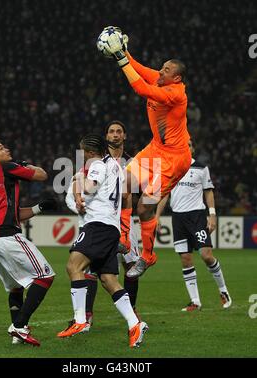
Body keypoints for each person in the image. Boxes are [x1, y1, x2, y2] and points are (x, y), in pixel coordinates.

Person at [102, 27, 192, 278]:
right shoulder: (162, 79)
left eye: (166, 70)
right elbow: (140, 69)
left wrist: (120, 59)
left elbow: (141, 88)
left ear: (176, 78)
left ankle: (148, 256)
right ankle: (124, 240)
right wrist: (124, 52)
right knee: (124, 184)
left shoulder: (175, 94)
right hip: (156, 149)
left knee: (144, 208)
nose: (160, 71)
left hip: (174, 160)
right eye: (162, 68)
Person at [58, 134, 148, 348]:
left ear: (90, 152)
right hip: (111, 227)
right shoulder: (115, 166)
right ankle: (135, 324)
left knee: (73, 266)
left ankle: (80, 320)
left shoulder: (97, 164)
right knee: (108, 279)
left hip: (98, 225)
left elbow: (90, 186)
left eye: (83, 153)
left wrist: (78, 182)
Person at [0, 139, 56, 346]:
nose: (7, 149)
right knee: (45, 275)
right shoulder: (5, 167)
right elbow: (42, 174)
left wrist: (39, 208)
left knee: (15, 287)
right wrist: (24, 164)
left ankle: (17, 336)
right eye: (1, 148)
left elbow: (14, 213)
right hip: (6, 236)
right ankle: (19, 326)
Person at [156, 140, 232, 311]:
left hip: (197, 216)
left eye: (189, 145)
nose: (186, 147)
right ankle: (195, 301)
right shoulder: (171, 168)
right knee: (186, 259)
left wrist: (212, 214)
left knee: (206, 255)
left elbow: (208, 191)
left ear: (192, 148)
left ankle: (223, 290)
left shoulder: (201, 168)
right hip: (178, 219)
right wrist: (157, 216)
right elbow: (165, 194)